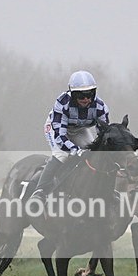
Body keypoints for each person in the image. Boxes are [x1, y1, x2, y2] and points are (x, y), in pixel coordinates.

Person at [29, 70, 110, 200]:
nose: (86, 99)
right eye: (80, 95)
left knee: (92, 154)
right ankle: (40, 191)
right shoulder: (62, 103)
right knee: (62, 155)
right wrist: (75, 150)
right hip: (57, 129)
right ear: (72, 94)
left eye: (89, 94)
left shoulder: (100, 107)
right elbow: (60, 137)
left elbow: (103, 135)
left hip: (79, 129)